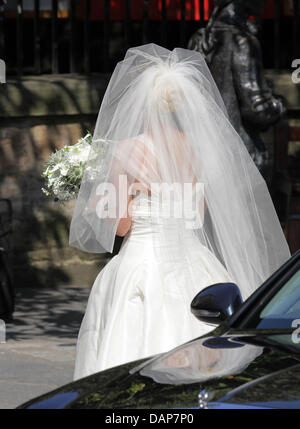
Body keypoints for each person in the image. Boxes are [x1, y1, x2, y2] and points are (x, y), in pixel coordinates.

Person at [69, 43, 291, 381]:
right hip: (195, 263)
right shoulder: (199, 150)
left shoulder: (127, 152)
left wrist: (100, 203)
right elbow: (198, 211)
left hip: (142, 264)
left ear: (142, 103)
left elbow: (121, 225)